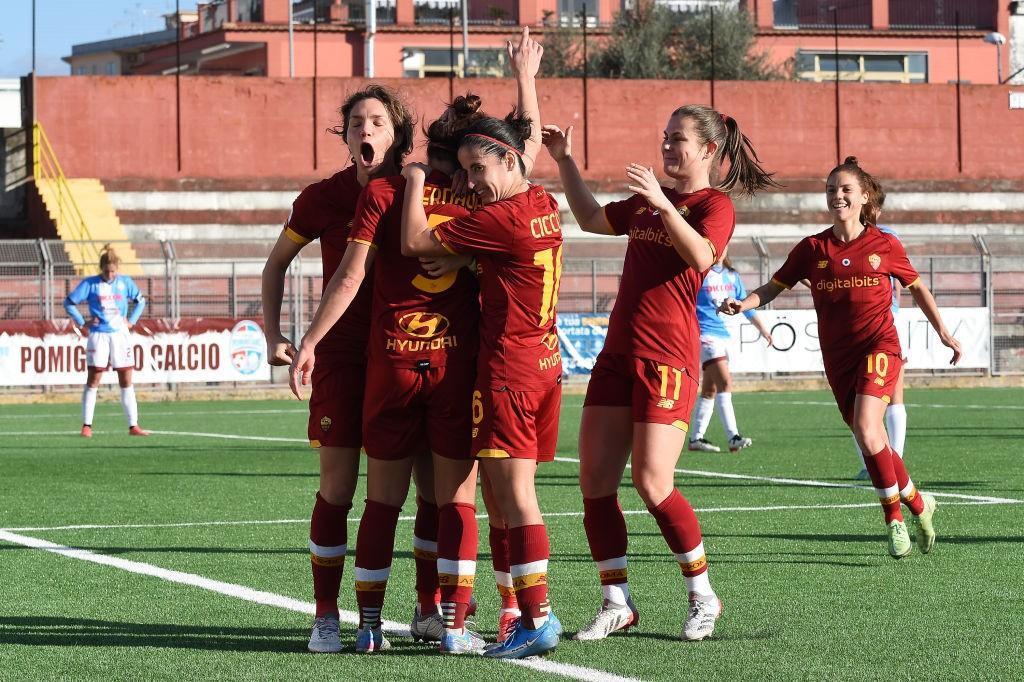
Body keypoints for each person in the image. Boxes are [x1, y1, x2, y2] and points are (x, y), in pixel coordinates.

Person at [542, 105, 777, 642]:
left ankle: (702, 595)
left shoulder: (712, 205)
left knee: (652, 483)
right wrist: (566, 161)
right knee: (595, 485)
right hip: (617, 356)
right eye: (665, 137)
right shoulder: (653, 201)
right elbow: (590, 219)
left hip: (668, 358)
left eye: (679, 140)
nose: (668, 147)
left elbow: (702, 257)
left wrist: (663, 207)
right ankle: (616, 601)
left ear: (708, 151)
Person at [261, 84, 438, 654]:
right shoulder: (322, 198)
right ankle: (325, 617)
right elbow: (275, 266)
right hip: (339, 359)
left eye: (378, 122)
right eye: (356, 121)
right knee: (337, 489)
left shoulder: (421, 189)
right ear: (346, 134)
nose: (366, 130)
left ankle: (428, 608)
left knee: (424, 492)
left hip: (405, 358)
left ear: (396, 134)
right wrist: (274, 333)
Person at [720, 156, 960, 559]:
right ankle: (919, 503)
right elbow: (774, 286)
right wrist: (743, 304)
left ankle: (894, 522)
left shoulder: (885, 244)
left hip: (880, 347)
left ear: (864, 196)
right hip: (838, 359)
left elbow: (917, 289)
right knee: (873, 440)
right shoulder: (812, 248)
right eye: (832, 190)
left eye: (846, 189)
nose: (838, 196)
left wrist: (944, 333)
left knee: (869, 430)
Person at [399, 108, 563, 660]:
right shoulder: (540, 200)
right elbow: (527, 146)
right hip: (544, 363)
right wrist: (526, 83)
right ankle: (521, 612)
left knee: (514, 499)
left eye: (475, 169)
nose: (468, 183)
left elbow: (417, 242)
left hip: (508, 370)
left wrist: (420, 179)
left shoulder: (501, 220)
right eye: (462, 170)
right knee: (506, 497)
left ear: (509, 160)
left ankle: (537, 618)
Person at [687, 251, 773, 453]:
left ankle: (696, 438)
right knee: (725, 382)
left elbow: (746, 306)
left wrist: (763, 330)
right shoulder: (699, 272)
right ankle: (733, 437)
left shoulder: (732, 275)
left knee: (710, 389)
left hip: (724, 335)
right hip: (705, 335)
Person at [64, 244, 148, 438]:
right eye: (106, 271)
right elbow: (69, 302)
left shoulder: (125, 282)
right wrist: (82, 321)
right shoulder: (90, 284)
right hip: (98, 335)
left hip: (120, 335)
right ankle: (87, 426)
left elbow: (141, 301)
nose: (110, 275)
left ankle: (133, 426)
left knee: (126, 378)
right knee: (94, 378)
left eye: (113, 271)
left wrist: (131, 321)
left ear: (117, 269)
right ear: (101, 269)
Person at [853, 223, 907, 480]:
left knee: (895, 395)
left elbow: (902, 282)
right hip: (853, 327)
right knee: (857, 401)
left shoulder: (887, 237)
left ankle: (896, 458)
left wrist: (894, 308)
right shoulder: (841, 237)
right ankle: (871, 464)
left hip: (886, 319)